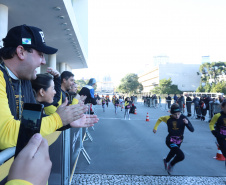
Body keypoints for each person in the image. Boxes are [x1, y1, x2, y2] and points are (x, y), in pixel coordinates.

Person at [0, 25, 87, 150]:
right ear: (21, 52)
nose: (43, 62)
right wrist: (57, 120)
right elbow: (4, 134)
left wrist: (66, 122)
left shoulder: (24, 80)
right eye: (41, 54)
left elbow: (32, 121)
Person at [31, 71, 98, 129]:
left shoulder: (41, 105)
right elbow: (55, 118)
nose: (55, 92)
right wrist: (75, 101)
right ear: (42, 92)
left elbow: (51, 122)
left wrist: (69, 123)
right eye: (53, 88)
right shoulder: (33, 111)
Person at [153, 103, 194, 175]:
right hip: (170, 140)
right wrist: (155, 128)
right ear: (171, 113)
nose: (177, 116)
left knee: (173, 152)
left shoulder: (183, 118)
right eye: (175, 114)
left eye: (179, 113)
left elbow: (192, 129)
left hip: (179, 140)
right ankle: (171, 164)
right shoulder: (168, 118)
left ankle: (166, 160)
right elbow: (160, 119)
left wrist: (187, 123)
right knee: (181, 156)